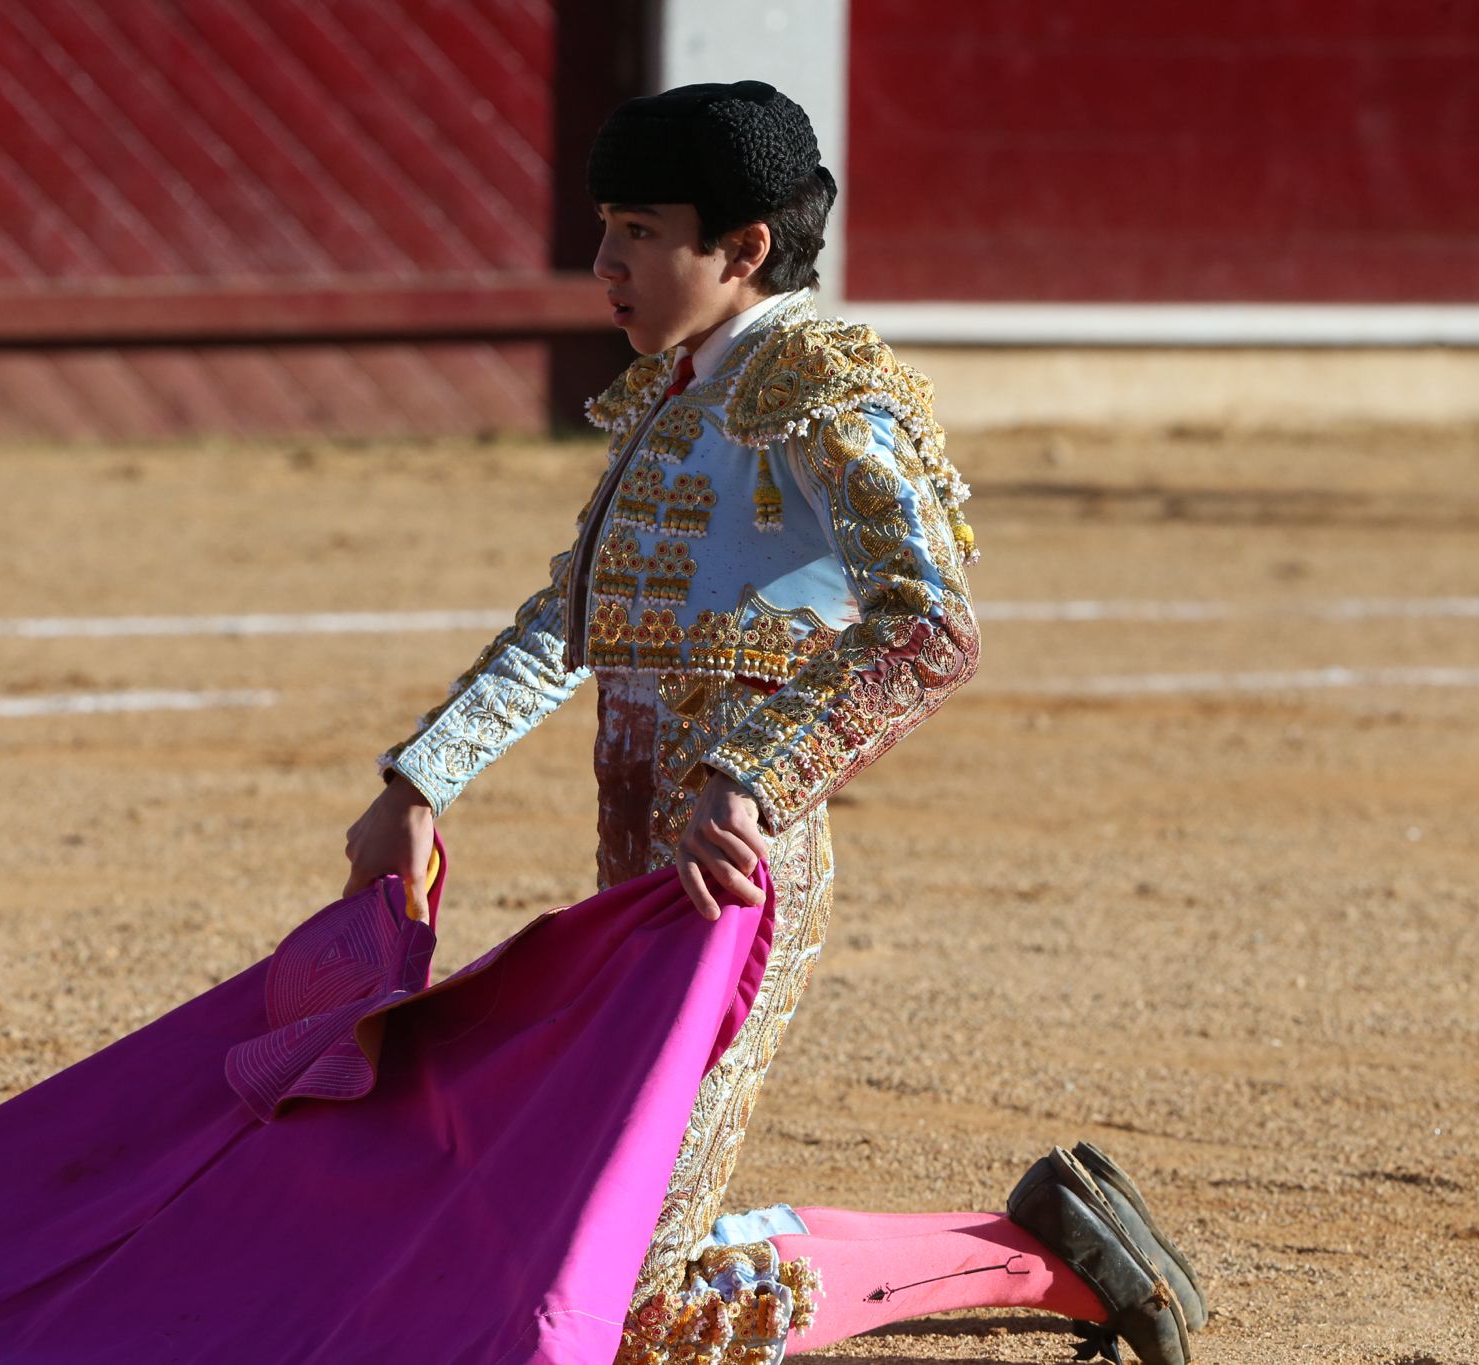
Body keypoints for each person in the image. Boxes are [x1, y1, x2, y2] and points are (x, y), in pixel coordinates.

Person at [342, 81, 1207, 1365]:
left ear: (742, 248)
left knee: (631, 1307)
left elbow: (929, 622)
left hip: (734, 889)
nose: (603, 265)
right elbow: (569, 621)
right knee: (592, 1245)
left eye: (638, 233)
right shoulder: (670, 397)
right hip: (635, 889)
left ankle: (1036, 1266)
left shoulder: (824, 395)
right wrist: (423, 779)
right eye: (605, 230)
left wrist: (750, 772)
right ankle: (1036, 1243)